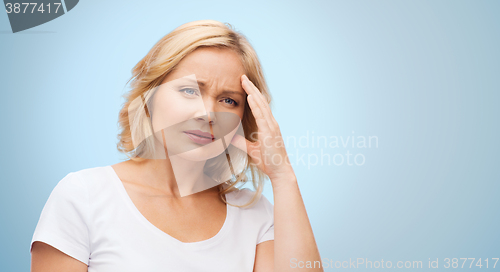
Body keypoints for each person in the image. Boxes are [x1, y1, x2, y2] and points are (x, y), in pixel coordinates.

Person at [30, 20, 323, 272]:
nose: (207, 113)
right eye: (189, 90)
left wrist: (283, 176)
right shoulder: (84, 196)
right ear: (151, 95)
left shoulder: (255, 213)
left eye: (229, 100)